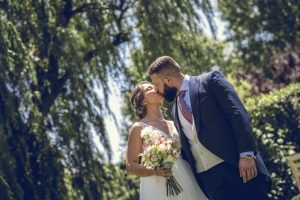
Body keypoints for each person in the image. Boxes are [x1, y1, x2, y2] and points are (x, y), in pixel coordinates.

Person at [147, 56, 272, 200]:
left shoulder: (209, 81)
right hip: (209, 180)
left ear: (168, 80)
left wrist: (246, 155)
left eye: (156, 84)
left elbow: (238, 115)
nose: (156, 90)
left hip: (236, 166)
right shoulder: (175, 109)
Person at [126, 81, 208, 200]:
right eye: (150, 88)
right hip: (157, 184)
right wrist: (155, 171)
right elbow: (130, 165)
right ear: (143, 101)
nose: (156, 88)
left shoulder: (174, 123)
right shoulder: (138, 127)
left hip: (185, 176)